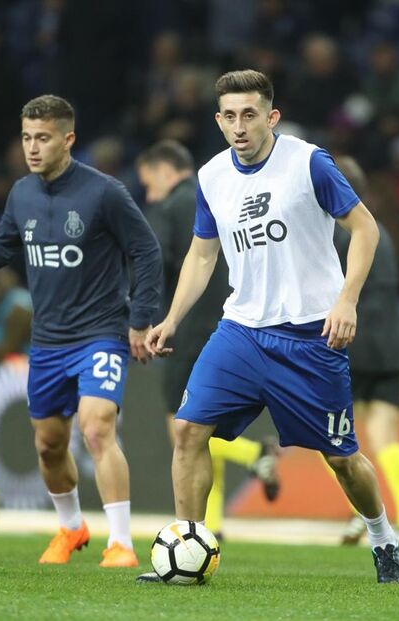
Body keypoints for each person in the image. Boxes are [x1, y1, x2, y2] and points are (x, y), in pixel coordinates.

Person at [139, 70, 399, 584]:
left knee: (343, 459)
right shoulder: (212, 177)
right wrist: (171, 319)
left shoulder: (308, 163)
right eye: (230, 116)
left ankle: (382, 539)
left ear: (271, 116)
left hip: (310, 337)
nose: (240, 126)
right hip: (241, 331)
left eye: (250, 114)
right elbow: (201, 253)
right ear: (218, 121)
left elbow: (365, 228)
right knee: (189, 429)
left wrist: (346, 300)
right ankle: (188, 547)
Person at [0, 95, 163, 568]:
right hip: (47, 342)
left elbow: (146, 252)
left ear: (68, 139)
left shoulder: (104, 192)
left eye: (43, 138)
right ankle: (71, 529)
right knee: (48, 445)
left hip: (101, 332)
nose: (32, 147)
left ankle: (123, 543)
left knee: (96, 428)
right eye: (27, 137)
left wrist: (140, 318)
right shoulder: (22, 194)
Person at [135, 139, 281, 539]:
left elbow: (151, 260)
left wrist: (146, 316)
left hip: (187, 326)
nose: (149, 194)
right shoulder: (222, 192)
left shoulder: (167, 208)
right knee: (202, 425)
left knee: (182, 428)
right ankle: (212, 523)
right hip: (233, 321)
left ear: (166, 172)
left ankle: (252, 455)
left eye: (149, 184)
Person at [331, 155, 399, 547]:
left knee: (332, 436)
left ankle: (360, 514)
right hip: (391, 345)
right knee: (384, 433)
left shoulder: (338, 234)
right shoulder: (379, 230)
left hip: (351, 343)